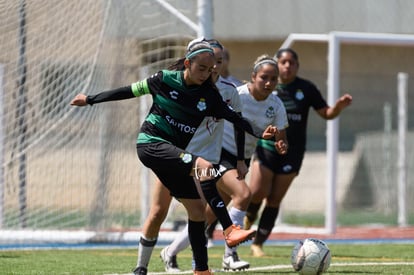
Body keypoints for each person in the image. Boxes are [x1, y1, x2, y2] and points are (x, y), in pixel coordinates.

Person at [70, 37, 277, 275]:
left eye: (211, 69)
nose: (207, 74)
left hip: (177, 156)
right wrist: (90, 99)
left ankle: (195, 270)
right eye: (202, 68)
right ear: (188, 63)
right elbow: (129, 91)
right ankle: (230, 230)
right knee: (203, 166)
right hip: (151, 144)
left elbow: (238, 120)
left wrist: (263, 133)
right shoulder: (164, 80)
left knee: (197, 210)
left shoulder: (210, 96)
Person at [162, 54, 289, 271]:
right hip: (219, 153)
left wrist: (281, 144)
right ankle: (230, 255)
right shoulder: (236, 94)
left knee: (206, 216)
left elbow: (281, 137)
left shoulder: (276, 104)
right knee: (244, 194)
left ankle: (170, 251)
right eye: (264, 77)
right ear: (253, 77)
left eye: (273, 79)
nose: (268, 83)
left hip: (242, 159)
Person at [133, 39, 248, 274]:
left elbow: (239, 122)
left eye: (217, 61)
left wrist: (240, 159)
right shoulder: (178, 84)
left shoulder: (228, 91)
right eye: (208, 62)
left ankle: (214, 259)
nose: (213, 67)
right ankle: (142, 266)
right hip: (175, 155)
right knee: (157, 213)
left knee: (220, 202)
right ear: (193, 62)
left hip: (206, 158)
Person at [244, 48, 353, 257]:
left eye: (291, 62)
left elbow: (326, 113)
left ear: (297, 66)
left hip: (293, 151)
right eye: (283, 62)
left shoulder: (306, 88)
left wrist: (338, 107)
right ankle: (248, 217)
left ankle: (257, 243)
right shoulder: (266, 87)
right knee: (257, 191)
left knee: (274, 199)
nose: (287, 66)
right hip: (267, 146)